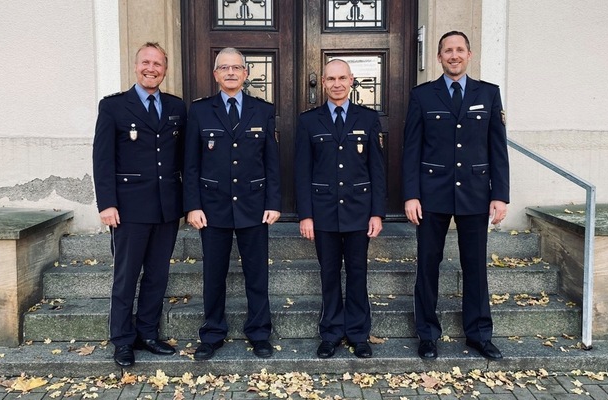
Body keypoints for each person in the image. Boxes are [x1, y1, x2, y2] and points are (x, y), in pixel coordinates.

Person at [402, 31, 510, 361]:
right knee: (427, 265)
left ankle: (479, 334)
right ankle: (427, 335)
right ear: (439, 57)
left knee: (475, 266)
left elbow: (497, 148)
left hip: (475, 194)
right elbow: (411, 149)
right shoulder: (422, 95)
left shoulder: (488, 93)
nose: (454, 55)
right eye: (447, 50)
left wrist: (500, 195)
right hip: (431, 194)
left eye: (459, 49)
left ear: (469, 54)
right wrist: (411, 195)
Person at [92, 42, 187, 367]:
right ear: (136, 66)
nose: (151, 68)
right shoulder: (114, 107)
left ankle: (147, 333)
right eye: (146, 62)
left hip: (166, 207)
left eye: (158, 64)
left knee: (157, 275)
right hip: (129, 208)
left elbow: (183, 158)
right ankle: (122, 340)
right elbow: (103, 159)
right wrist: (107, 204)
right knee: (126, 276)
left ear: (165, 69)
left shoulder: (176, 107)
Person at [183, 47, 281, 361]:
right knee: (214, 275)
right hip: (212, 208)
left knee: (257, 274)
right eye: (224, 68)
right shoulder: (200, 111)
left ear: (245, 73)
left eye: (236, 67)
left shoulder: (262, 110)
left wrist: (273, 202)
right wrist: (192, 206)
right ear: (215, 74)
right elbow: (191, 164)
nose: (230, 72)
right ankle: (212, 333)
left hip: (254, 205)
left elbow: (271, 162)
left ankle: (259, 333)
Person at [294, 59, 386, 359]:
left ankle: (359, 334)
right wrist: (306, 215)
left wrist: (377, 212)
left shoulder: (367, 118)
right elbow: (302, 171)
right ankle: (331, 332)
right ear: (323, 82)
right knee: (329, 273)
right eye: (331, 79)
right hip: (323, 211)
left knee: (358, 273)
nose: (337, 84)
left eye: (342, 78)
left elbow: (377, 169)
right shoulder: (309, 121)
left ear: (351, 81)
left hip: (359, 210)